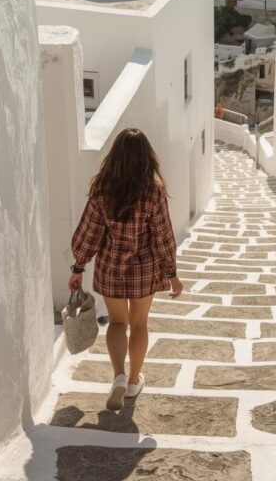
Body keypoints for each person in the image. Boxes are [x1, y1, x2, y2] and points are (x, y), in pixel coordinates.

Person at [68, 127, 183, 411]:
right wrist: (172, 273)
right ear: (146, 158)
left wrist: (78, 266)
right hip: (144, 269)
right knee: (139, 324)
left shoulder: (102, 191)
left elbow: (88, 233)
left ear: (115, 157)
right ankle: (133, 381)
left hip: (111, 268)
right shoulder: (153, 192)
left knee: (118, 323)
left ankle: (118, 375)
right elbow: (163, 235)